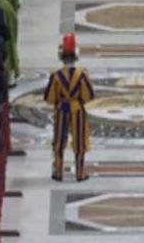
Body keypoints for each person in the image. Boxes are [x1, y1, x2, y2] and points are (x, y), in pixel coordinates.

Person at [45, 34, 94, 181]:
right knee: (80, 141)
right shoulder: (82, 74)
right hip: (77, 109)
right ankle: (80, 173)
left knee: (59, 141)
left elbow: (50, 97)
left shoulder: (56, 75)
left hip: (61, 109)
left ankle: (58, 172)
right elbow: (88, 94)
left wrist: (59, 101)